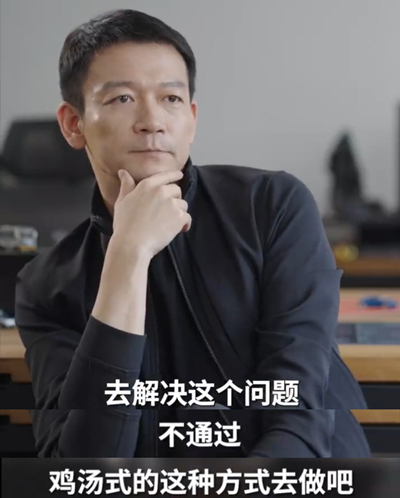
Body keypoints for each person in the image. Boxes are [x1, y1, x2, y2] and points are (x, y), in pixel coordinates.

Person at [15, 9, 370, 458]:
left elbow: (299, 418)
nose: (152, 121)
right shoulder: (46, 287)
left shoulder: (270, 206)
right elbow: (85, 466)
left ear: (192, 118)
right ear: (73, 123)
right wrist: (127, 258)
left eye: (171, 98)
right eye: (122, 98)